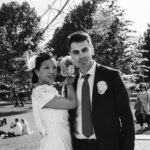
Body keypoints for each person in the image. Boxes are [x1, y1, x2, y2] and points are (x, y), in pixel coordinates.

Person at [68, 31, 135, 150]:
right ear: (71, 55)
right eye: (76, 52)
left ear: (92, 49)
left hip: (109, 145)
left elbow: (126, 116)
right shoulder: (70, 83)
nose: (81, 55)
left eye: (85, 50)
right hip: (79, 146)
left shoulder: (112, 76)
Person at [29, 52, 77, 150]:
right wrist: (69, 83)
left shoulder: (49, 90)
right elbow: (72, 103)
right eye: (46, 68)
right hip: (56, 143)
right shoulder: (41, 92)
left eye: (54, 67)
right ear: (37, 71)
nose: (52, 71)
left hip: (64, 140)